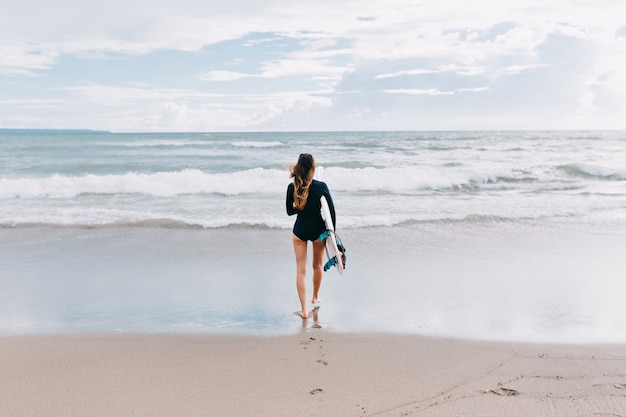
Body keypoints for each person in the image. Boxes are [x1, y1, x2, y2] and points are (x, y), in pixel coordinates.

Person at [286, 153, 336, 319]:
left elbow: (289, 211)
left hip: (299, 231)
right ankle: (315, 296)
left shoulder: (292, 187)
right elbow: (331, 212)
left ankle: (305, 310)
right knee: (317, 265)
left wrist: (300, 207)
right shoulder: (321, 186)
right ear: (313, 169)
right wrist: (332, 234)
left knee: (300, 270)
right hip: (317, 231)